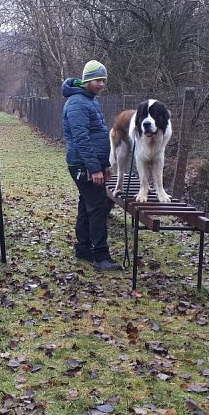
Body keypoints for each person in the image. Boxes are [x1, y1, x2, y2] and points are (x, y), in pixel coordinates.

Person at [62, 60, 122, 271]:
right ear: (87, 80)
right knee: (98, 206)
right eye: (98, 80)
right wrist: (94, 168)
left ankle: (84, 249)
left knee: (86, 204)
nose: (101, 84)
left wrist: (104, 164)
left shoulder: (89, 100)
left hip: (91, 163)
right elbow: (82, 139)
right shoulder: (78, 103)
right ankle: (101, 255)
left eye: (104, 81)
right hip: (82, 164)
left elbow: (98, 135)